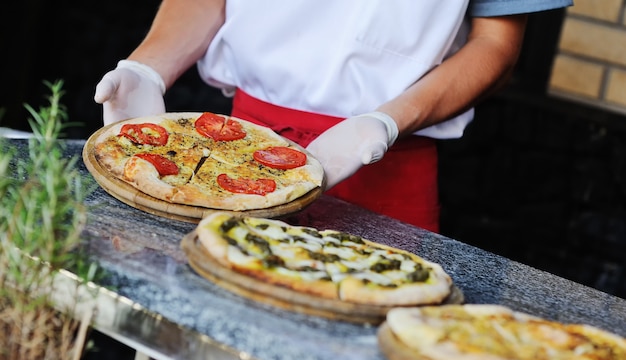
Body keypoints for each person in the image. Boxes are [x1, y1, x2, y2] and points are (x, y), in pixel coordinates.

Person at [94, 0, 572, 233]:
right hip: (229, 153)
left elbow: (497, 45)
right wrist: (148, 67)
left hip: (386, 159)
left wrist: (384, 122)